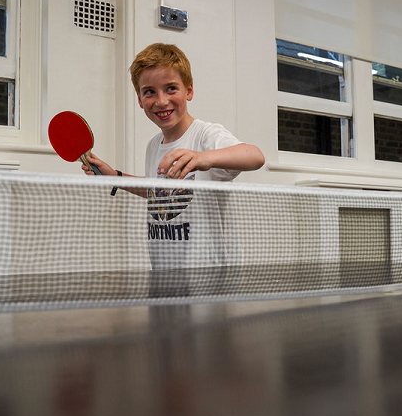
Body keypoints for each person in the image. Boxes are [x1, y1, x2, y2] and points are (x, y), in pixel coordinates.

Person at [83, 43, 265, 269]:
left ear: (189, 90)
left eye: (171, 88)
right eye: (150, 92)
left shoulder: (205, 134)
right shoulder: (153, 145)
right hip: (165, 270)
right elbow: (158, 192)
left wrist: (203, 158)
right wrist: (116, 176)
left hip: (209, 276)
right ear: (140, 100)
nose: (161, 101)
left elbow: (255, 156)